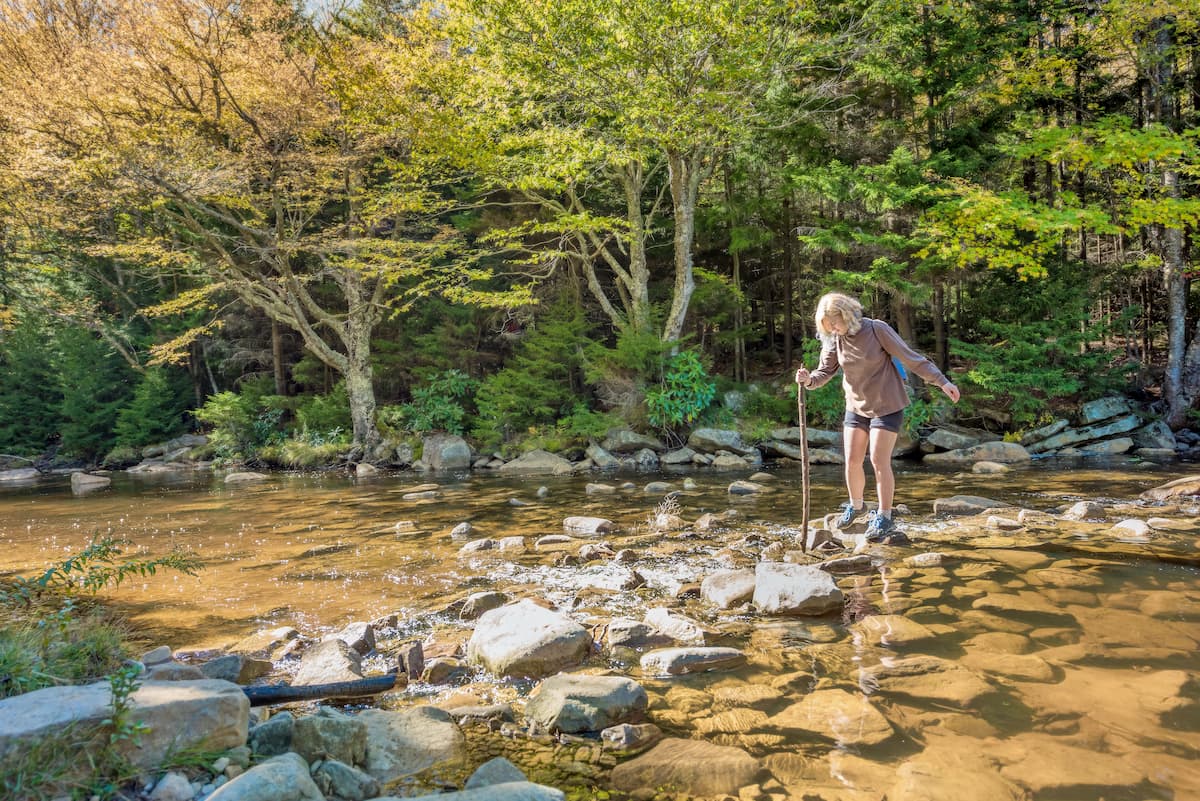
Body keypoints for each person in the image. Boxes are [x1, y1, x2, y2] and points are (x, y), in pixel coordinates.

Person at [795, 292, 960, 541]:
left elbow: (911, 359)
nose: (834, 329)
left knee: (878, 460)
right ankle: (856, 504)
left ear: (847, 315)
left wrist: (942, 381)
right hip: (856, 406)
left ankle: (884, 516)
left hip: (887, 404)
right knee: (851, 459)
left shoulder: (876, 330)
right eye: (828, 327)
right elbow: (824, 372)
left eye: (835, 324)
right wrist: (808, 380)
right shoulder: (834, 340)